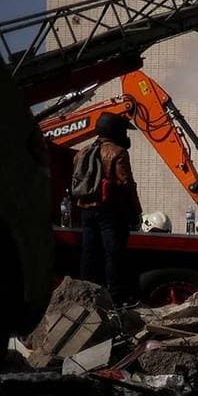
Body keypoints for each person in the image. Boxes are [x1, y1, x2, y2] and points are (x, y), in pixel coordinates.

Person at [76, 112, 140, 301]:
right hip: (109, 211)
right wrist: (135, 211)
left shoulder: (83, 152)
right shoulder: (118, 152)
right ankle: (115, 297)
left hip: (85, 209)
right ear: (116, 131)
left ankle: (85, 294)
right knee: (113, 253)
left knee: (89, 252)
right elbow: (126, 183)